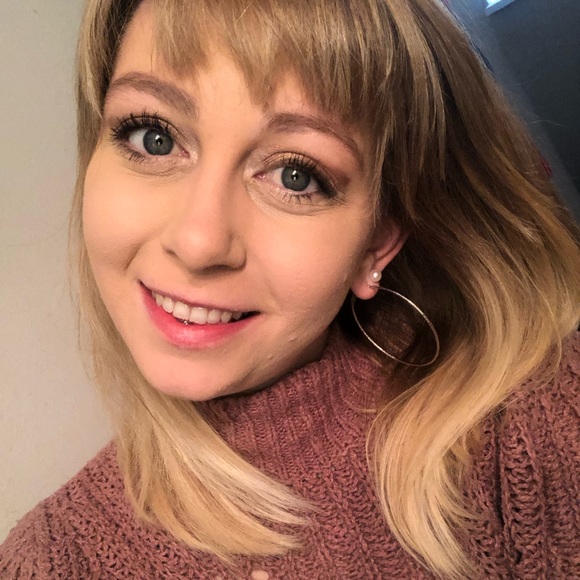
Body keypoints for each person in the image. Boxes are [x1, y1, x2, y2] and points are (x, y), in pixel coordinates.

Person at [1, 0, 579, 578]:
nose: (199, 242)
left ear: (378, 243)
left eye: (295, 175)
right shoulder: (49, 562)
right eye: (154, 137)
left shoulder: (531, 425)